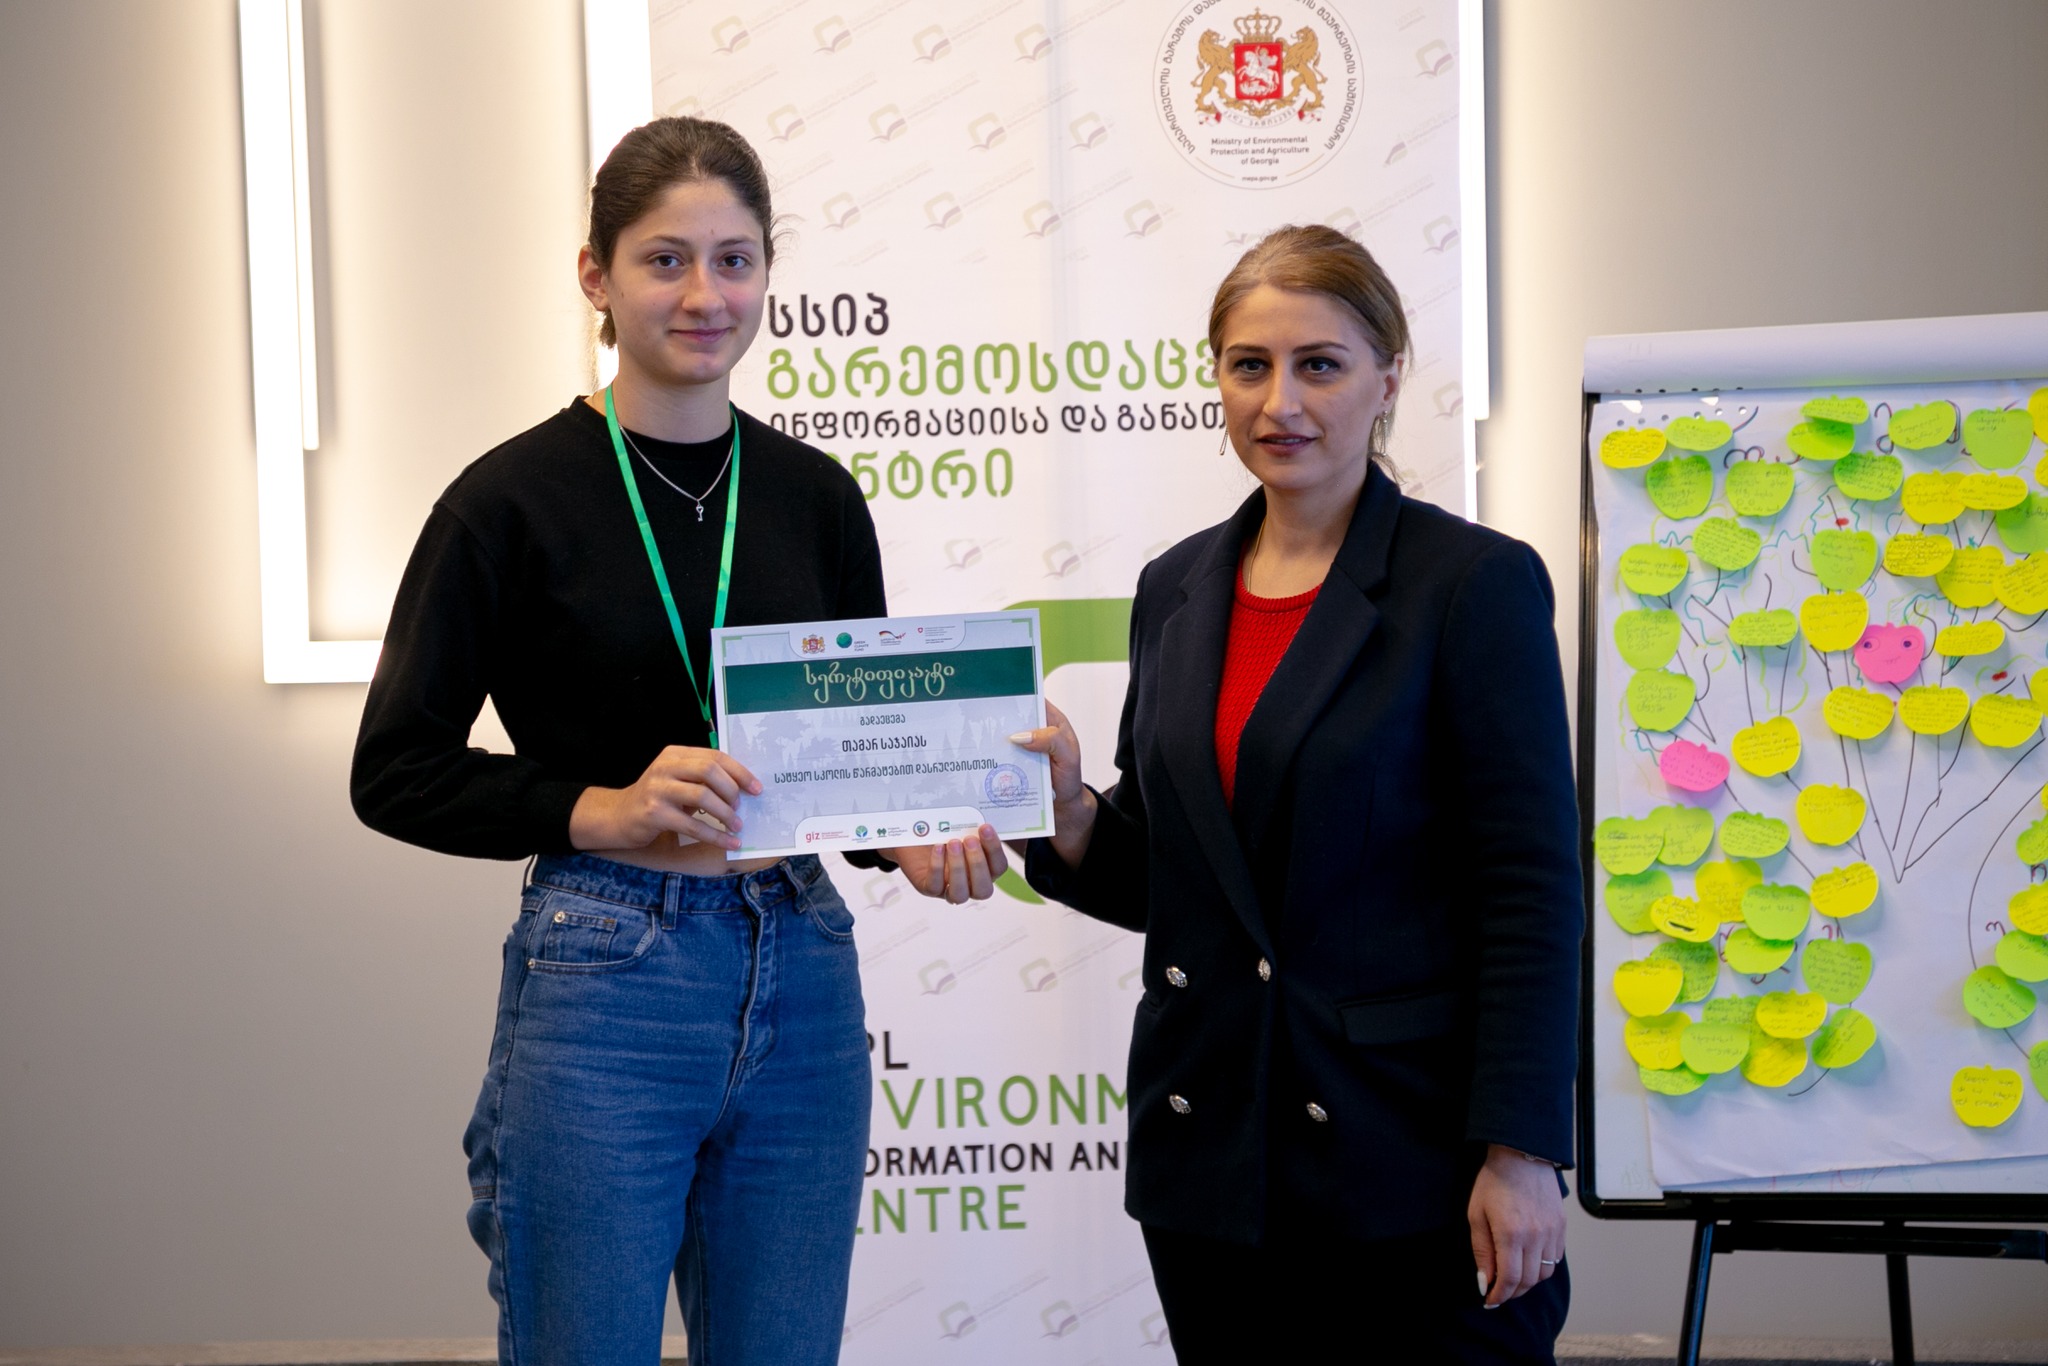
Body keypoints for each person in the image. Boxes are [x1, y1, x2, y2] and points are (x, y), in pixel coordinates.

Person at [350, 116, 1003, 1366]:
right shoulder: (506, 502)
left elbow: (850, 755)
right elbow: (394, 770)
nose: (705, 295)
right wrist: (597, 807)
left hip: (801, 961)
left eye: (734, 259)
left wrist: (908, 836)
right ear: (594, 276)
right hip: (609, 970)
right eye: (665, 260)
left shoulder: (817, 497)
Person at [1010, 225, 1582, 1363]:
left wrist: (1521, 1151)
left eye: (1319, 364)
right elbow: (1184, 882)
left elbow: (1531, 892)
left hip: (1409, 1158)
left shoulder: (1472, 584)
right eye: (1249, 365)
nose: (1280, 402)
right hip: (1210, 1160)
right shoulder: (1174, 586)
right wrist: (1072, 814)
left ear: (1388, 378)